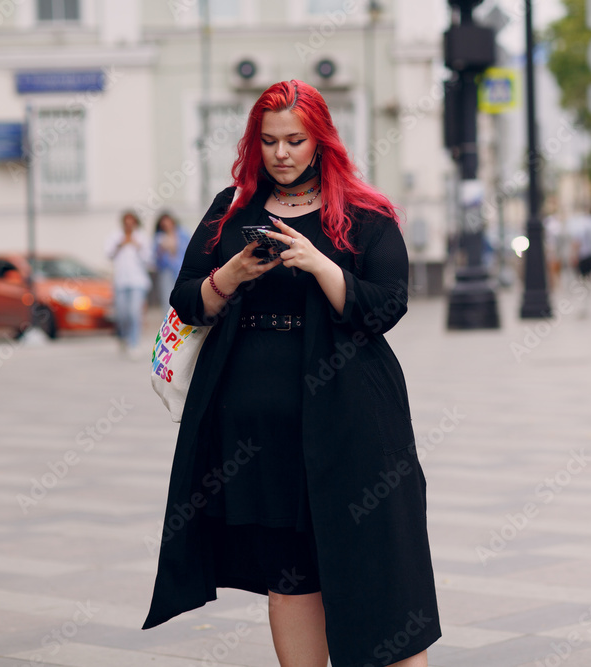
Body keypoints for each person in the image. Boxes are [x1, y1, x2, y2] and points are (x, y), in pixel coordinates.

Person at [142, 80, 440, 667]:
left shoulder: (365, 213)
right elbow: (186, 301)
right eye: (269, 141)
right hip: (255, 430)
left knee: (379, 564)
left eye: (295, 140)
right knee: (290, 571)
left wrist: (318, 264)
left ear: (321, 140)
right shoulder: (232, 208)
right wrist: (230, 273)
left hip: (353, 419)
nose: (281, 153)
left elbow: (386, 306)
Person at [105, 210, 152, 358]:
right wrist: (120, 244)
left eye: (132, 222)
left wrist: (137, 246)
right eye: (126, 222)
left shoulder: (142, 237)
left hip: (138, 281)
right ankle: (123, 337)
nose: (129, 225)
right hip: (121, 281)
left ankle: (134, 343)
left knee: (134, 313)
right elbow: (108, 254)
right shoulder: (115, 236)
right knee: (122, 314)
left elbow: (149, 259)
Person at [153, 211, 189, 309]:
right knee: (167, 298)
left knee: (183, 297)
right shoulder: (159, 237)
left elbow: (188, 250)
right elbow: (156, 258)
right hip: (166, 271)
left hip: (182, 270)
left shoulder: (182, 233)